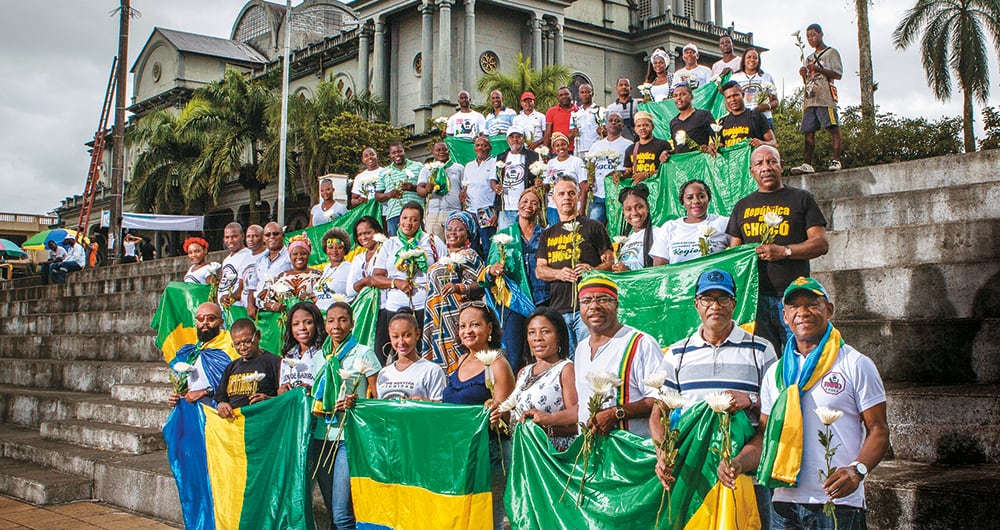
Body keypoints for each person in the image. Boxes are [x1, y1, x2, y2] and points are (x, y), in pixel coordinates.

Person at [722, 277, 889, 530]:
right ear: (785, 316)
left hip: (838, 502)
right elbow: (765, 436)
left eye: (812, 304)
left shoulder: (855, 364)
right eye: (794, 307)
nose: (803, 312)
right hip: (783, 503)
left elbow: (878, 429)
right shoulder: (776, 373)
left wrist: (857, 470)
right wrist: (737, 463)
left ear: (829, 310)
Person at [652, 269, 778, 527]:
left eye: (723, 299)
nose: (715, 306)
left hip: (746, 473)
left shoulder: (761, 349)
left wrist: (751, 399)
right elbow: (658, 413)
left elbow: (775, 416)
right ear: (696, 304)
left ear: (734, 303)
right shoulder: (677, 353)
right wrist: (662, 452)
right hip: (694, 474)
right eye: (707, 299)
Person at [726, 146, 829, 350]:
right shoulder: (742, 206)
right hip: (755, 300)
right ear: (751, 171)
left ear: (781, 166)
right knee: (765, 359)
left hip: (794, 297)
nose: (766, 167)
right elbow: (734, 254)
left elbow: (821, 244)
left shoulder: (801, 198)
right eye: (759, 163)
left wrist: (784, 251)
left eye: (772, 161)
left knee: (802, 353)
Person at [443, 302, 515, 530]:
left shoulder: (498, 364)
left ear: (490, 328)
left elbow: (504, 415)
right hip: (461, 455)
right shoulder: (461, 361)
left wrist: (495, 411)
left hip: (490, 453)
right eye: (462, 326)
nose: (468, 331)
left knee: (488, 520)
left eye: (475, 325)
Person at [310, 302, 381, 530]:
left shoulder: (363, 352)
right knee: (331, 511)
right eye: (331, 321)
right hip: (322, 436)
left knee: (342, 514)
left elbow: (376, 398)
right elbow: (314, 395)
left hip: (346, 438)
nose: (336, 326)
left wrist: (355, 403)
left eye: (342, 320)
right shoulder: (320, 357)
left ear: (352, 323)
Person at [574, 273, 672, 437]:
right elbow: (582, 405)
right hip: (594, 454)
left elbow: (662, 399)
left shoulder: (640, 343)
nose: (594, 306)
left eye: (603, 299)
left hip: (630, 453)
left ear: (617, 305)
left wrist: (616, 413)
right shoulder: (581, 349)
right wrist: (547, 421)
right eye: (586, 301)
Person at [536, 176, 613, 354]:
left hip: (588, 307)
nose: (566, 197)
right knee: (568, 362)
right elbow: (540, 271)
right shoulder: (547, 234)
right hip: (559, 309)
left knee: (591, 356)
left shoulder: (594, 226)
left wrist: (592, 270)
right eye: (561, 194)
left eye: (571, 193)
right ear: (553, 199)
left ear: (578, 197)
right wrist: (558, 274)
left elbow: (610, 262)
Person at [371, 201, 447, 363]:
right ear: (398, 221)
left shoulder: (431, 241)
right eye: (405, 218)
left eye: (414, 219)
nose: (408, 223)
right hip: (395, 305)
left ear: (420, 222)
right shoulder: (389, 244)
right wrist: (396, 283)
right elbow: (376, 277)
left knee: (423, 350)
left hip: (425, 305)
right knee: (394, 350)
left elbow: (445, 268)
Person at [480, 188, 546, 374]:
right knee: (514, 355)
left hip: (542, 298)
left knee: (541, 353)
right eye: (525, 201)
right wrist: (493, 270)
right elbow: (489, 269)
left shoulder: (545, 235)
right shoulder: (503, 235)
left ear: (539, 208)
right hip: (514, 301)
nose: (528, 206)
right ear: (517, 205)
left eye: (534, 202)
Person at [505, 306, 579, 451]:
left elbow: (579, 420)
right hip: (525, 451)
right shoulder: (523, 372)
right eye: (531, 333)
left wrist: (548, 429)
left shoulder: (566, 369)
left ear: (559, 337)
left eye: (545, 332)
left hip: (552, 454)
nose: (537, 338)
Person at [423, 211, 487, 373]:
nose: (452, 232)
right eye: (449, 228)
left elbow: (480, 284)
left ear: (468, 234)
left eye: (459, 229)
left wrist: (459, 288)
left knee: (460, 360)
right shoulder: (443, 258)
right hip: (437, 319)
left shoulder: (470, 256)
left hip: (456, 317)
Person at [791, 24, 844, 174]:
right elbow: (808, 81)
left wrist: (818, 69)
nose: (810, 38)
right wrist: (804, 74)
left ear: (821, 34)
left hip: (825, 97)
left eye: (813, 35)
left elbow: (838, 74)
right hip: (810, 98)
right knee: (808, 131)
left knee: (832, 127)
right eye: (808, 36)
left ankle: (837, 159)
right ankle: (807, 163)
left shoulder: (831, 53)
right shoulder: (809, 58)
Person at [167, 302, 239, 408]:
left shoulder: (231, 345)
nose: (205, 323)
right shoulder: (195, 350)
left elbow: (238, 382)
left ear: (221, 322)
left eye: (211, 318)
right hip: (196, 412)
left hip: (220, 413)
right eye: (200, 319)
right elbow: (189, 384)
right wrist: (176, 396)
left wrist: (205, 392)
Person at [652, 179, 731, 265]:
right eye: (690, 197)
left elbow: (738, 254)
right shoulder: (669, 227)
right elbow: (659, 267)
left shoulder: (723, 223)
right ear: (682, 202)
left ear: (708, 199)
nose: (696, 201)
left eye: (701, 196)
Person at [216, 318, 281, 418]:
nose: (242, 347)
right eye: (237, 344)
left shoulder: (275, 362)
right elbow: (221, 399)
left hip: (265, 422)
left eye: (247, 341)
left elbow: (286, 399)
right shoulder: (231, 367)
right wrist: (222, 405)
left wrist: (269, 400)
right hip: (238, 428)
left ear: (258, 336)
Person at [375, 309, 447, 400]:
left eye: (407, 335)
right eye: (395, 336)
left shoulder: (432, 371)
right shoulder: (384, 373)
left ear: (417, 334)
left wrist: (423, 402)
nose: (401, 342)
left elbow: (440, 407)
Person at [585, 110, 632, 224]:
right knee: (594, 226)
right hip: (598, 194)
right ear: (606, 125)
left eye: (617, 121)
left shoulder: (629, 145)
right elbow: (591, 165)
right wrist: (590, 180)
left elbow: (630, 169)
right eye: (610, 120)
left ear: (622, 125)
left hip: (617, 194)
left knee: (616, 227)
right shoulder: (596, 145)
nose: (614, 123)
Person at [492, 126, 542, 230]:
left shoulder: (534, 156)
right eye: (512, 137)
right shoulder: (500, 157)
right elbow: (493, 179)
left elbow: (541, 179)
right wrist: (495, 186)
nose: (515, 139)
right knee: (507, 239)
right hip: (506, 208)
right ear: (507, 140)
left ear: (523, 139)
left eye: (518, 136)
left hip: (527, 207)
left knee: (528, 238)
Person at [417, 141, 465, 241]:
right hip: (434, 213)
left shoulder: (459, 168)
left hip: (453, 212)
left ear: (449, 151)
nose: (441, 152)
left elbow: (465, 188)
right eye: (438, 150)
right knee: (436, 247)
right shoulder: (427, 169)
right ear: (433, 153)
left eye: (444, 149)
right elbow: (419, 190)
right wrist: (426, 190)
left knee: (455, 245)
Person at [611, 184, 664, 271]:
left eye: (639, 207)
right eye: (628, 209)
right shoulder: (625, 241)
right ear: (623, 212)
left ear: (647, 207)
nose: (634, 213)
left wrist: (628, 272)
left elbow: (658, 273)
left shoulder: (658, 234)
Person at [264, 236, 323, 314]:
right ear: (290, 256)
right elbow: (267, 301)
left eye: (303, 253)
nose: (299, 257)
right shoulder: (280, 277)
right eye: (295, 254)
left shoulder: (319, 275)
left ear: (308, 254)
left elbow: (325, 298)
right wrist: (273, 306)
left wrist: (312, 297)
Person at [375, 142, 423, 236]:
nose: (397, 155)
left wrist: (413, 188)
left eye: (399, 151)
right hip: (394, 214)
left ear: (404, 151)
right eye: (393, 152)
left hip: (415, 214)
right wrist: (389, 195)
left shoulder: (418, 166)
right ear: (390, 155)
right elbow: (377, 196)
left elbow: (425, 188)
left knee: (418, 243)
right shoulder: (384, 172)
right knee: (396, 245)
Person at [278, 301, 325, 394]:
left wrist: (311, 390)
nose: (302, 328)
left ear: (316, 324)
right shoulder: (288, 356)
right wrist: (282, 390)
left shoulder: (324, 354)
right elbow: (281, 390)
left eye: (308, 322)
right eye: (296, 324)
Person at [543, 132, 587, 226]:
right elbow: (546, 186)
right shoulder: (551, 163)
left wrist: (582, 208)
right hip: (553, 206)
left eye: (563, 144)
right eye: (557, 145)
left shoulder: (576, 161)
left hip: (571, 205)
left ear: (568, 145)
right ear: (554, 149)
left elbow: (584, 186)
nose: (560, 148)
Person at [463, 135, 498, 253]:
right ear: (474, 148)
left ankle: (489, 270)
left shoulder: (495, 163)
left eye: (484, 145)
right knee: (471, 245)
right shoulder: (469, 166)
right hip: (470, 211)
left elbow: (497, 188)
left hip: (487, 210)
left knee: (488, 246)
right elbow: (465, 186)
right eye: (478, 145)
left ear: (490, 148)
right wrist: (462, 193)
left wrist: (496, 212)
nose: (481, 148)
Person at [717, 81, 777, 149]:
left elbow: (773, 143)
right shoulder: (722, 122)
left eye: (736, 95)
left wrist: (762, 143)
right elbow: (720, 146)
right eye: (728, 97)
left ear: (742, 95)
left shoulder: (756, 117)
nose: (733, 99)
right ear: (725, 100)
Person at [730, 48, 780, 129]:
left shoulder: (766, 77)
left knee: (767, 141)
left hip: (764, 119)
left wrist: (766, 106)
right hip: (742, 120)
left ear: (759, 61)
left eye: (755, 58)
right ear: (744, 60)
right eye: (749, 57)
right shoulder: (735, 78)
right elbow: (728, 101)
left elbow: (776, 101)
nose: (752, 60)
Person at [251, 222, 292, 318]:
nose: (271, 237)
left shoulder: (291, 256)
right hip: (261, 312)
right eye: (267, 235)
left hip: (282, 310)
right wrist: (250, 305)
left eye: (276, 234)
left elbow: (295, 277)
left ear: (283, 235)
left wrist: (270, 290)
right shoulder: (260, 261)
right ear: (263, 238)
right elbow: (252, 287)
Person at [622, 111, 671, 185]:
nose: (642, 128)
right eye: (639, 126)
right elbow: (628, 172)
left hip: (658, 189)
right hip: (638, 190)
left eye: (646, 125)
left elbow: (669, 169)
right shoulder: (630, 149)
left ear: (652, 126)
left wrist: (647, 174)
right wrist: (620, 175)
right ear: (635, 129)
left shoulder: (663, 145)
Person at [669, 83, 718, 154]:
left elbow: (716, 137)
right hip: (682, 164)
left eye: (683, 94)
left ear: (691, 97)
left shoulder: (703, 115)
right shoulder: (673, 123)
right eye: (675, 96)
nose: (678, 98)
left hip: (700, 162)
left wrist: (711, 145)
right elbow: (678, 148)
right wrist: (667, 153)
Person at [217, 222, 256, 311]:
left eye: (234, 236)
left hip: (237, 308)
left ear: (242, 236)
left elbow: (246, 285)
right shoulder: (226, 260)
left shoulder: (248, 256)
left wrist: (230, 298)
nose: (230, 240)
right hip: (223, 309)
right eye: (227, 237)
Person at [315, 229, 355, 311]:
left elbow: (357, 293)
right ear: (326, 250)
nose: (334, 251)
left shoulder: (350, 268)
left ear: (345, 250)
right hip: (319, 313)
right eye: (330, 247)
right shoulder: (327, 268)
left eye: (339, 247)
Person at [570, 84, 602, 156]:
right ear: (579, 94)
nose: (585, 94)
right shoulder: (575, 113)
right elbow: (571, 133)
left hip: (594, 149)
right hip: (579, 149)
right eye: (582, 92)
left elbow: (605, 130)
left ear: (592, 93)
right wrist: (573, 133)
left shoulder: (599, 110)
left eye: (587, 92)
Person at [606, 77, 639, 141]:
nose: (624, 87)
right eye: (621, 85)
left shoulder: (638, 103)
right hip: (617, 140)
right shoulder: (610, 108)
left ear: (630, 88)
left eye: (626, 85)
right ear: (616, 88)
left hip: (635, 139)